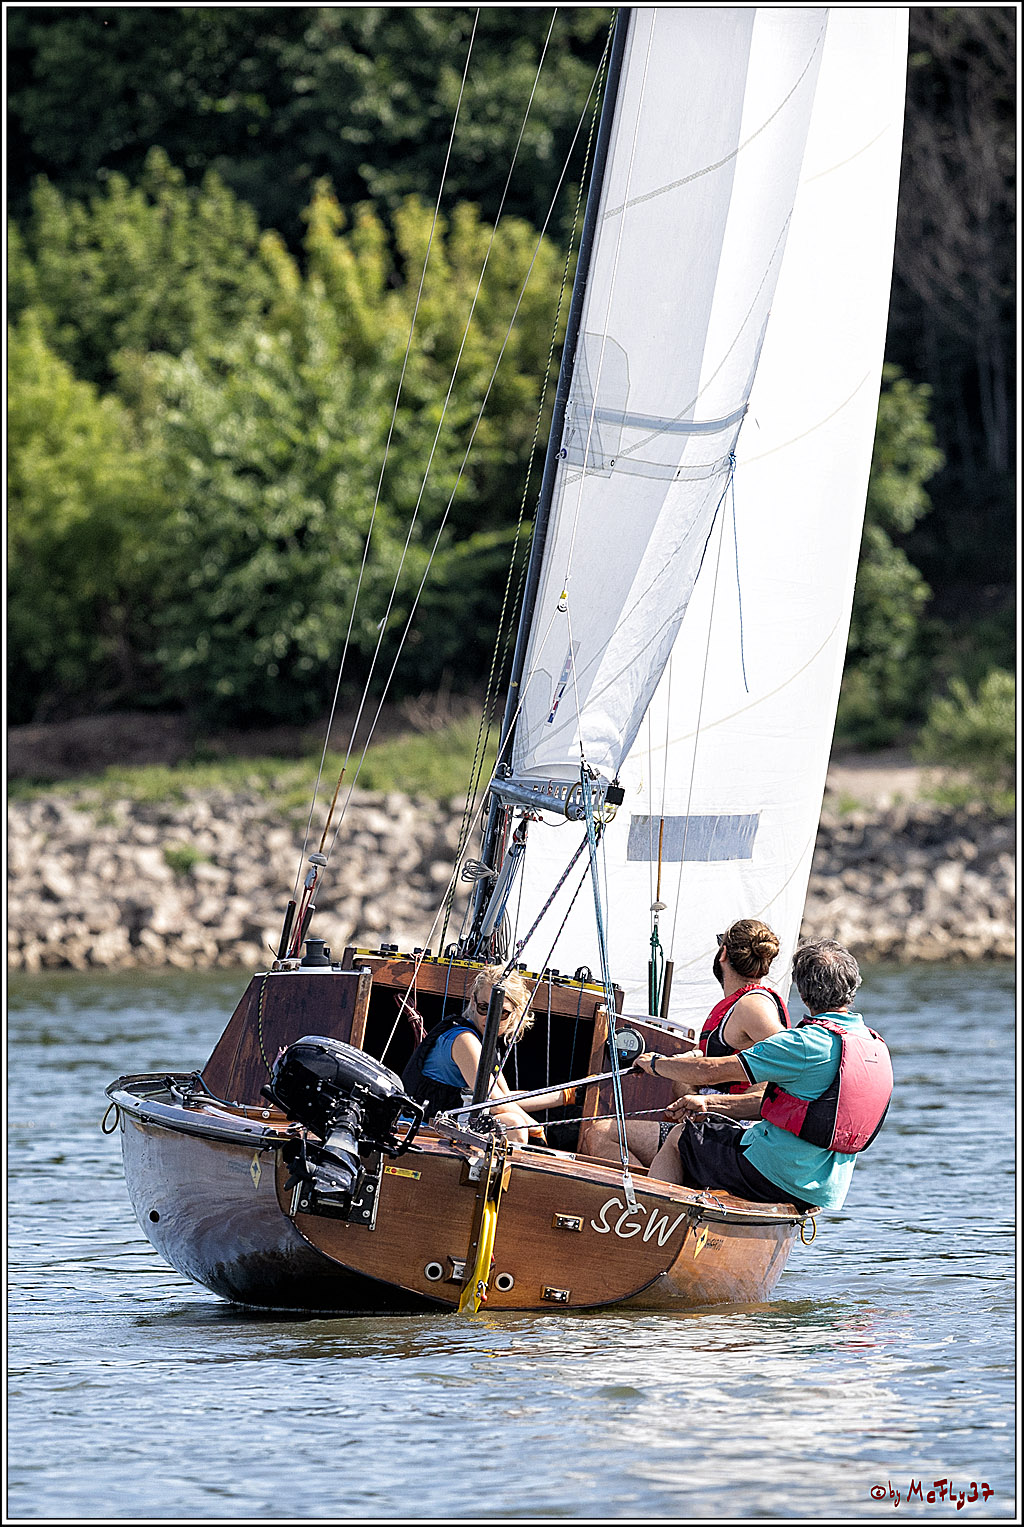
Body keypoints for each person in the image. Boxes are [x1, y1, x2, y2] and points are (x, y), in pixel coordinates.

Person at [633, 939, 893, 1212]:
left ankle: (651, 1224)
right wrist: (709, 1104)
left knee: (681, 1136)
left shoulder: (804, 1044)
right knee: (708, 1139)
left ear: (803, 995)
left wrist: (655, 1064)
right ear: (851, 989)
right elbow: (796, 1109)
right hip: (824, 1187)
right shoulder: (874, 1045)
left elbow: (711, 1071)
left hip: (776, 1172)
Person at [582, 919, 789, 1167]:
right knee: (604, 1134)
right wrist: (684, 1069)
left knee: (601, 1134)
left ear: (723, 953)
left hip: (730, 1136)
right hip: (713, 1127)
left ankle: (644, 1200)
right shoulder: (741, 1004)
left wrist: (658, 1065)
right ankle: (652, 1192)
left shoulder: (752, 1005)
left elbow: (788, 1061)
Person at [401, 965, 575, 1145]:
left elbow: (505, 1098)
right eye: (484, 1008)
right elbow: (495, 1103)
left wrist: (568, 1096)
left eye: (501, 1012)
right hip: (417, 1129)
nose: (490, 1018)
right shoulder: (464, 1039)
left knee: (514, 1121)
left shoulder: (485, 1043)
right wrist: (535, 1128)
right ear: (473, 1002)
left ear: (515, 1013)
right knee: (513, 1125)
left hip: (445, 1126)